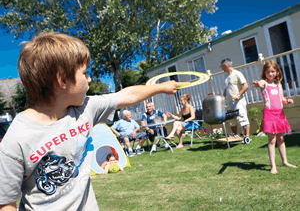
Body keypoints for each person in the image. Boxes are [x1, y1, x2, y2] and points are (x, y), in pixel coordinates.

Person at [0, 32, 187, 211]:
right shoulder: (16, 138)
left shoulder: (86, 108)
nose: (89, 79)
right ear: (63, 80)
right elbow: (5, 203)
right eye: (85, 73)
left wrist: (161, 87)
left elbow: (125, 95)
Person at [252, 60, 297, 174]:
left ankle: (285, 161)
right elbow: (260, 83)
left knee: (281, 139)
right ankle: (273, 166)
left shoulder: (278, 85)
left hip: (280, 114)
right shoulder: (264, 83)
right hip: (269, 113)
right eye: (268, 72)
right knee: (272, 140)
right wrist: (258, 84)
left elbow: (282, 98)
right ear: (264, 73)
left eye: (273, 71)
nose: (270, 74)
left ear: (277, 72)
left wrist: (287, 101)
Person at [221, 58, 251, 143]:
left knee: (242, 117)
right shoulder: (227, 77)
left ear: (226, 66)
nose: (222, 69)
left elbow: (245, 85)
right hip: (230, 101)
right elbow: (227, 89)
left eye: (222, 67)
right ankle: (234, 137)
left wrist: (238, 95)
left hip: (239, 100)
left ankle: (246, 137)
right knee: (231, 119)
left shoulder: (237, 73)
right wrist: (222, 97)